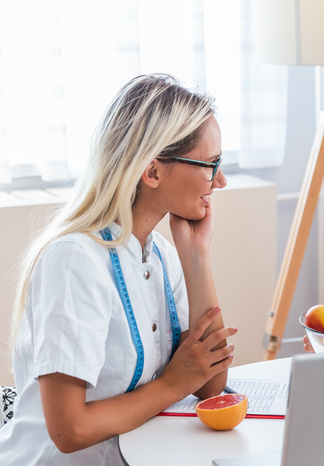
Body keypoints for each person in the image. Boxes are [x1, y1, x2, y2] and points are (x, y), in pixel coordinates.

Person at [0, 74, 236, 464]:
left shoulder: (159, 253)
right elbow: (69, 430)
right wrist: (172, 383)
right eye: (210, 165)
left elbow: (211, 388)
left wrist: (197, 256)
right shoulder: (75, 260)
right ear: (153, 172)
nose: (221, 181)